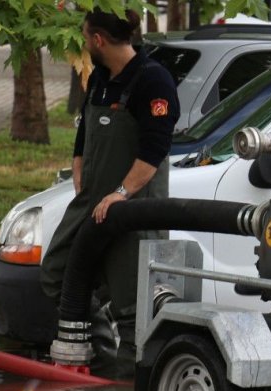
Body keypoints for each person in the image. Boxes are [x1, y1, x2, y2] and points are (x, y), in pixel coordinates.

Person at [40, 8, 178, 365]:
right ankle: (97, 349)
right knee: (57, 272)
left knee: (133, 304)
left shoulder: (153, 81)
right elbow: (85, 133)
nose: (84, 44)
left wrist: (120, 194)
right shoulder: (100, 77)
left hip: (130, 212)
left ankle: (129, 385)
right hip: (90, 204)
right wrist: (79, 171)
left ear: (98, 39)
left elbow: (153, 152)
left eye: (86, 37)